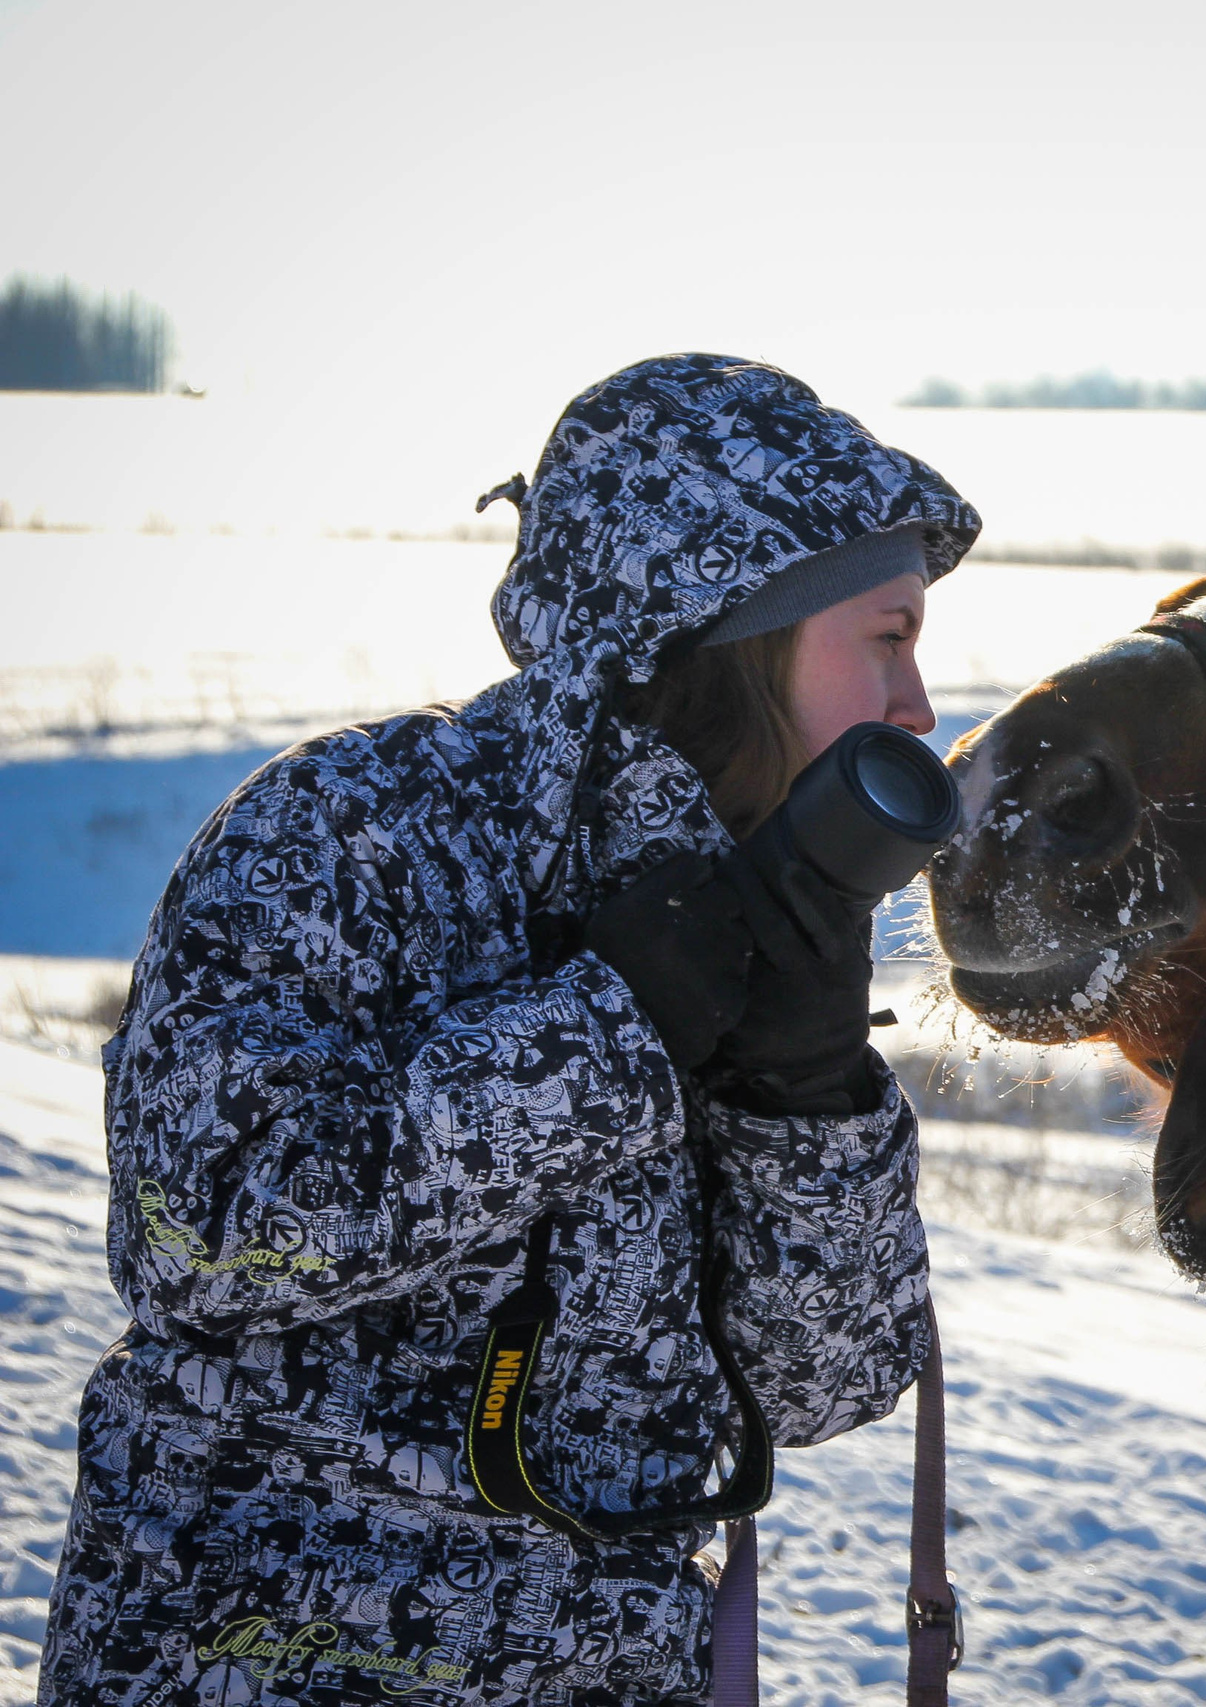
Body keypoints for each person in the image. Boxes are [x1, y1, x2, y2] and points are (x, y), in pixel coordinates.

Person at [37, 354, 977, 1706]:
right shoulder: (347, 838)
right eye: (888, 639)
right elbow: (199, 1232)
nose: (919, 710)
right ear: (723, 627)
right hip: (253, 1656)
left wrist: (810, 1102)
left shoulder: (773, 914)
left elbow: (827, 1383)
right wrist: (609, 1033)